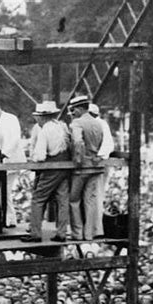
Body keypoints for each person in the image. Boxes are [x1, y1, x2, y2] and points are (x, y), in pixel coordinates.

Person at [20, 101, 70, 243]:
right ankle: (62, 233)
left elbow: (40, 156)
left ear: (41, 117)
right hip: (65, 165)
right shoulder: (62, 126)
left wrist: (33, 160)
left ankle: (35, 233)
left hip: (52, 166)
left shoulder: (45, 130)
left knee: (38, 199)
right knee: (62, 200)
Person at [0, 99, 26, 228]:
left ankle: (8, 218)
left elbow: (15, 138)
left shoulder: (10, 119)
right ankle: (7, 217)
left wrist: (4, 153)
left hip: (11, 159)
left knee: (5, 190)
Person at [68, 95, 105, 241]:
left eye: (73, 109)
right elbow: (101, 141)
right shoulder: (98, 123)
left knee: (74, 200)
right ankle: (89, 234)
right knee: (90, 201)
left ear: (79, 108)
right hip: (95, 166)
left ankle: (77, 233)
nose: (73, 112)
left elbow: (78, 142)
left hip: (82, 167)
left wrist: (78, 160)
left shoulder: (76, 123)